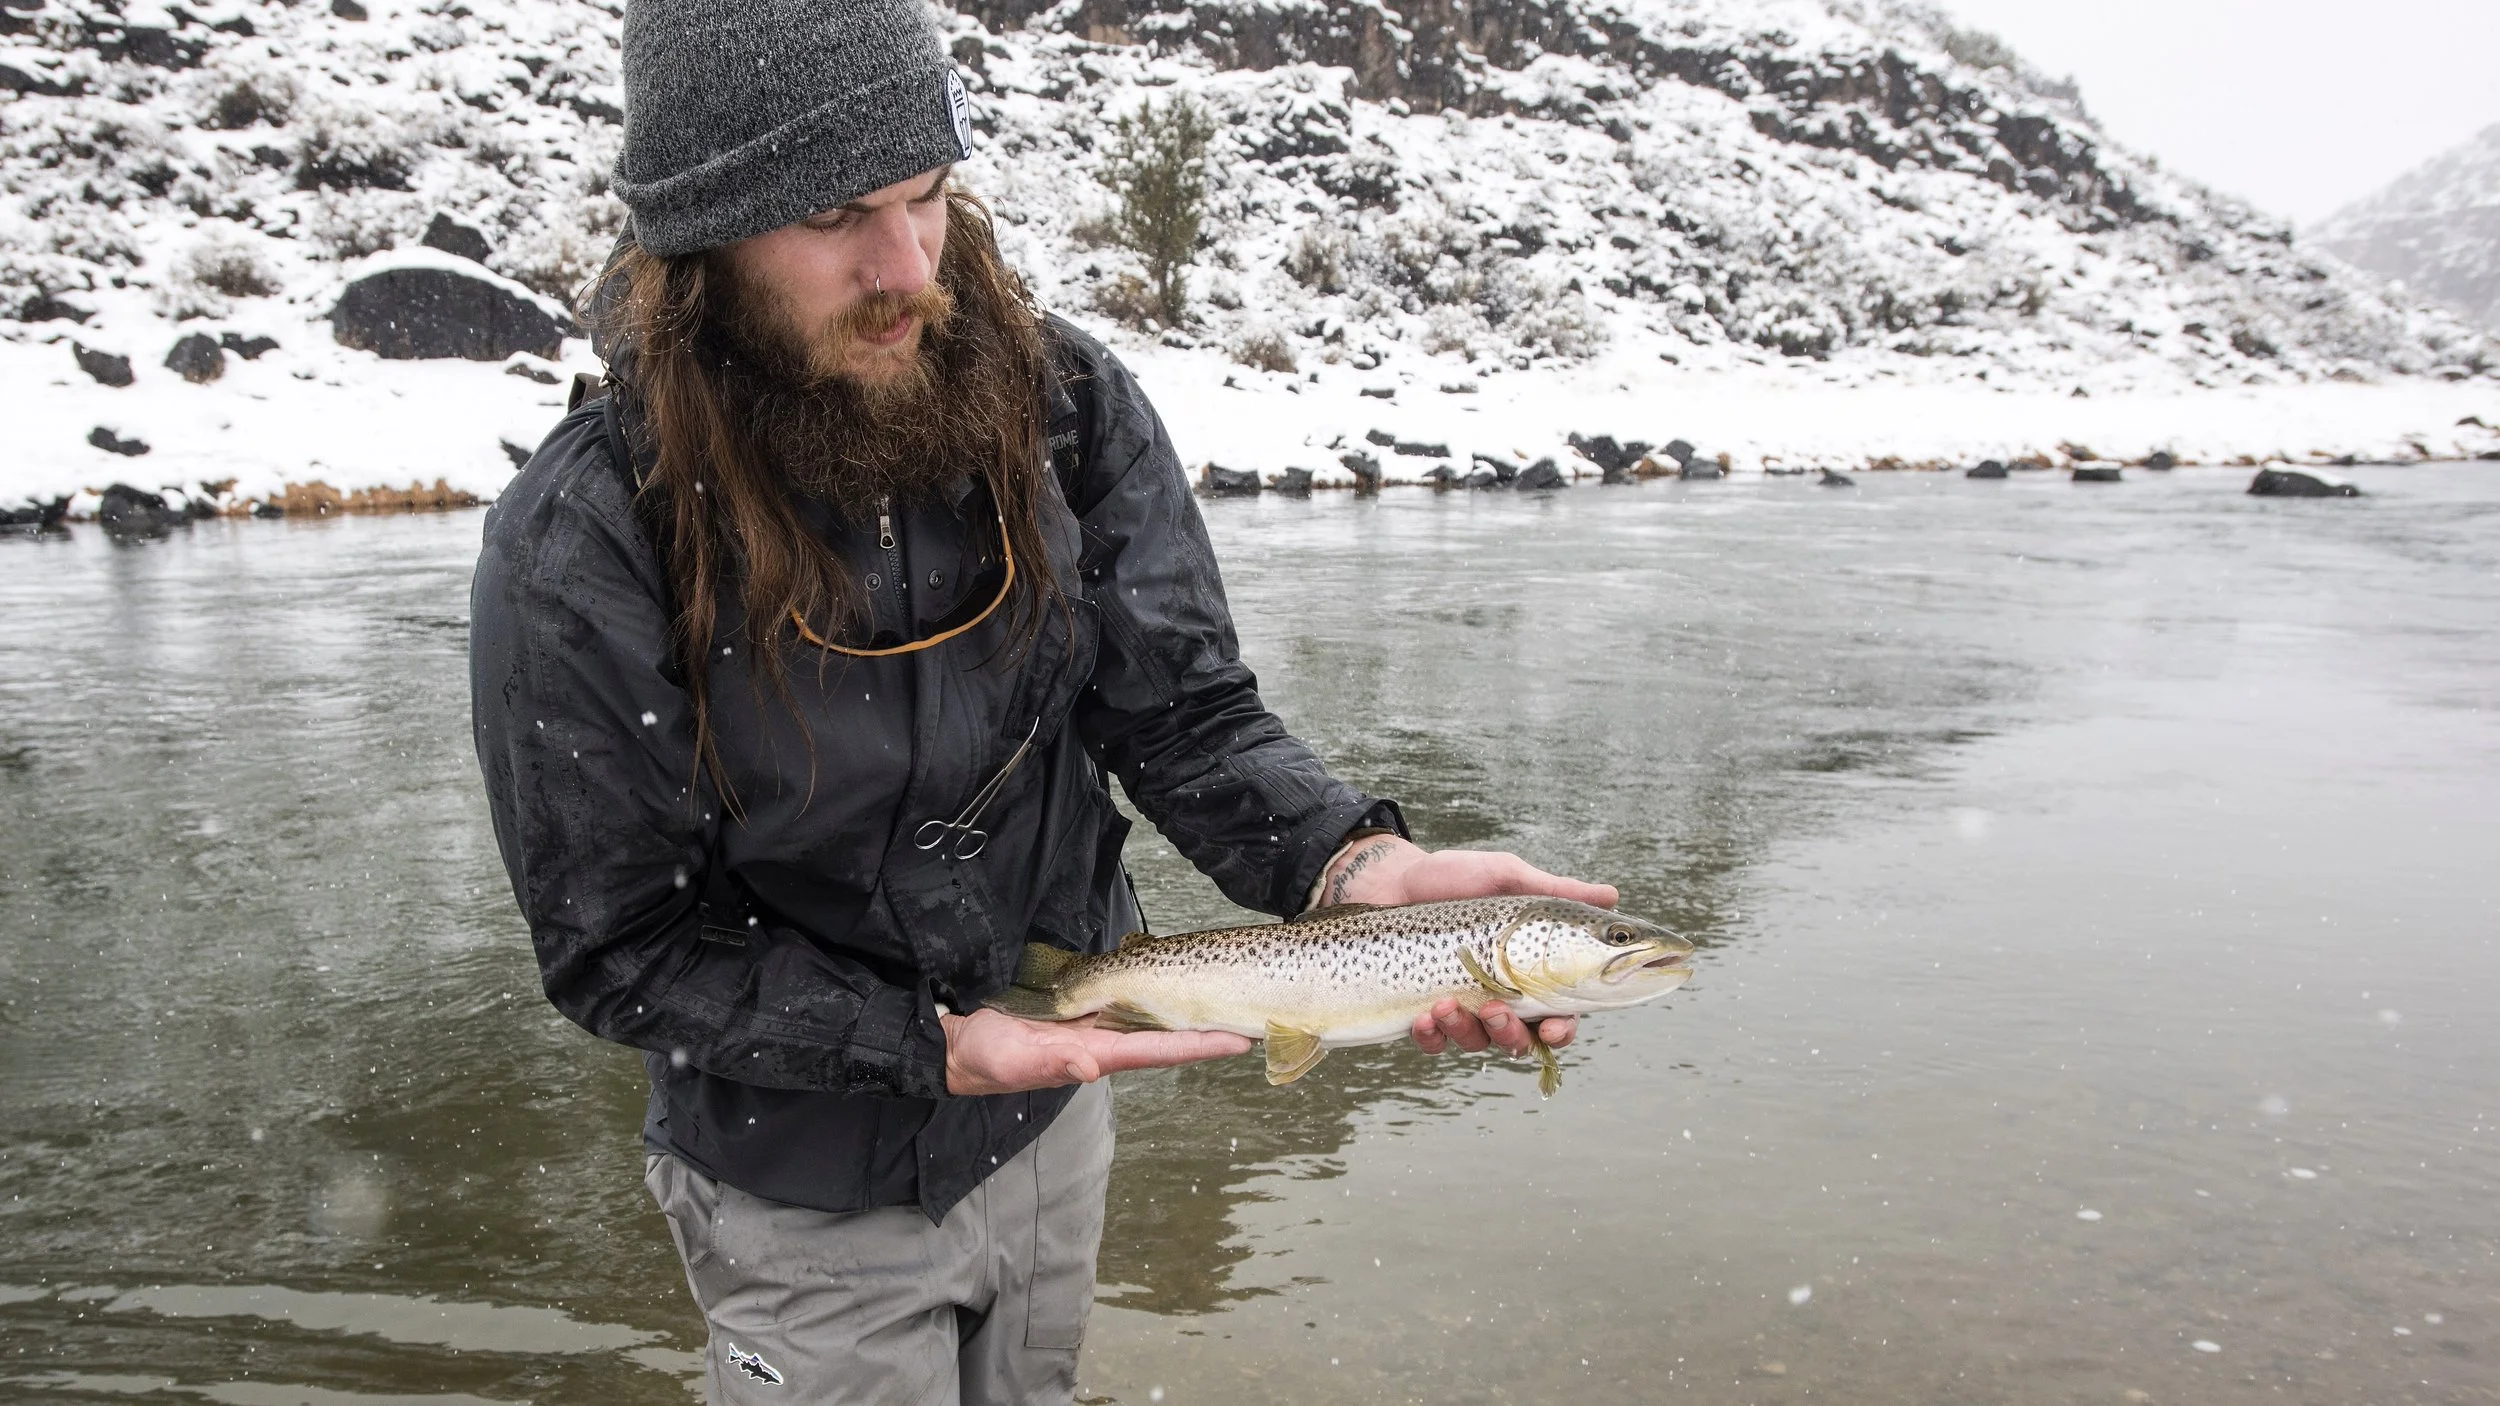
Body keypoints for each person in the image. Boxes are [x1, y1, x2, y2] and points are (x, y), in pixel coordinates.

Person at [466, 0, 1615, 1400]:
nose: (906, 265)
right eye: (838, 215)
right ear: (704, 233)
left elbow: (1184, 713)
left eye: (929, 195)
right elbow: (619, 945)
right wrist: (925, 1043)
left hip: (1055, 1117)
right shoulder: (583, 539)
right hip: (801, 1185)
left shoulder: (1065, 403)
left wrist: (1351, 860)